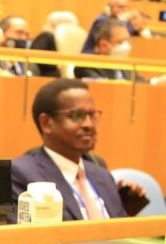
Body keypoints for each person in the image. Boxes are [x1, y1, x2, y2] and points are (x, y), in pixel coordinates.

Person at [11, 79, 144, 221]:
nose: (89, 125)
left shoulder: (102, 175)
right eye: (77, 116)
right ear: (46, 123)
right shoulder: (22, 175)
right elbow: (33, 237)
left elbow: (120, 230)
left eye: (92, 116)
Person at [74, 18, 144, 81]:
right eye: (120, 42)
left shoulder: (125, 65)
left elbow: (141, 82)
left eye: (127, 41)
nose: (126, 46)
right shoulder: (86, 67)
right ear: (103, 45)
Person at [30, 11, 79, 77]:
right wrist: (55, 66)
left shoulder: (72, 42)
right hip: (46, 73)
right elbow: (36, 57)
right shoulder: (46, 36)